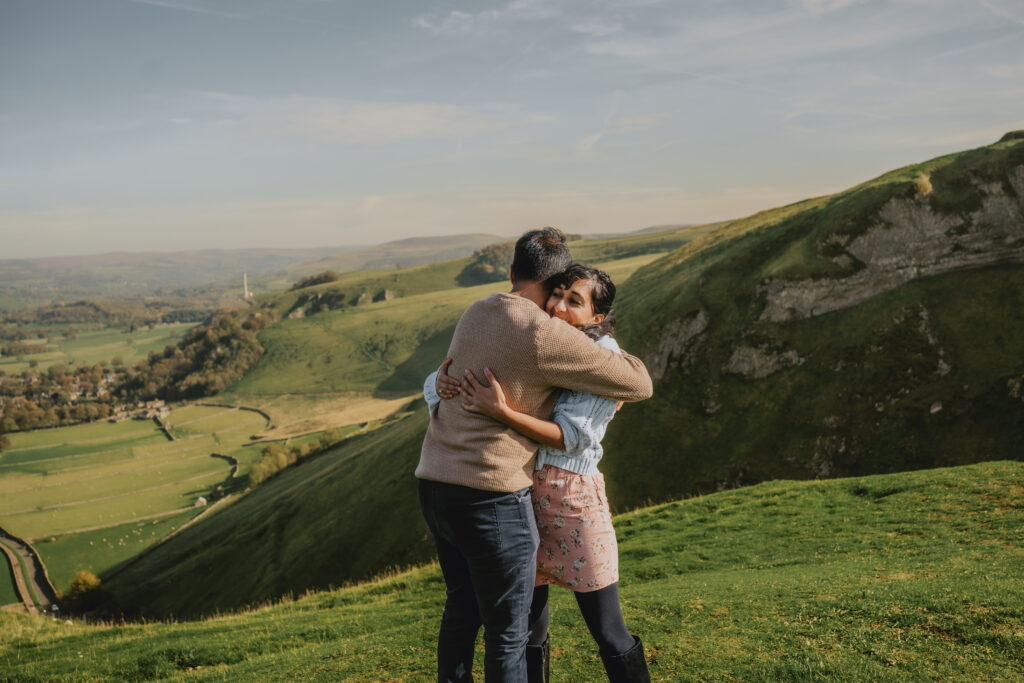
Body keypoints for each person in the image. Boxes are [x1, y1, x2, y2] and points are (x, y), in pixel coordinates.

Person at [416, 228, 653, 682]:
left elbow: (631, 386)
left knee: (466, 611)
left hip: (452, 485)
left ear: (511, 272)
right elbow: (638, 383)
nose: (559, 306)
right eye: (558, 293)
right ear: (550, 283)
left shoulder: (477, 310)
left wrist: (463, 395)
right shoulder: (544, 334)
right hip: (503, 496)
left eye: (573, 299)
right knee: (514, 632)